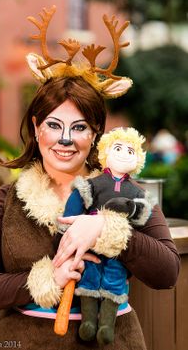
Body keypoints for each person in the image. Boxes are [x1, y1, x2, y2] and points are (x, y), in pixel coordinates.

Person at [0, 6, 180, 350]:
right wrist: (48, 279)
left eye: (79, 128)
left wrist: (109, 231)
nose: (65, 140)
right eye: (53, 125)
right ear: (36, 128)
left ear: (95, 134)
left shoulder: (127, 195)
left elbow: (167, 273)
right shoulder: (6, 201)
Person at [58, 127, 155, 346]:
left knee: (114, 282)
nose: (123, 154)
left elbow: (142, 217)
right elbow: (75, 206)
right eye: (118, 148)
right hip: (89, 250)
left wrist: (127, 210)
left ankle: (106, 326)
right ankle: (89, 322)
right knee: (89, 278)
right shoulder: (94, 184)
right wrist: (67, 226)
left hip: (118, 253)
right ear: (105, 152)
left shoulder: (137, 193)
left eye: (130, 151)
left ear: (138, 159)